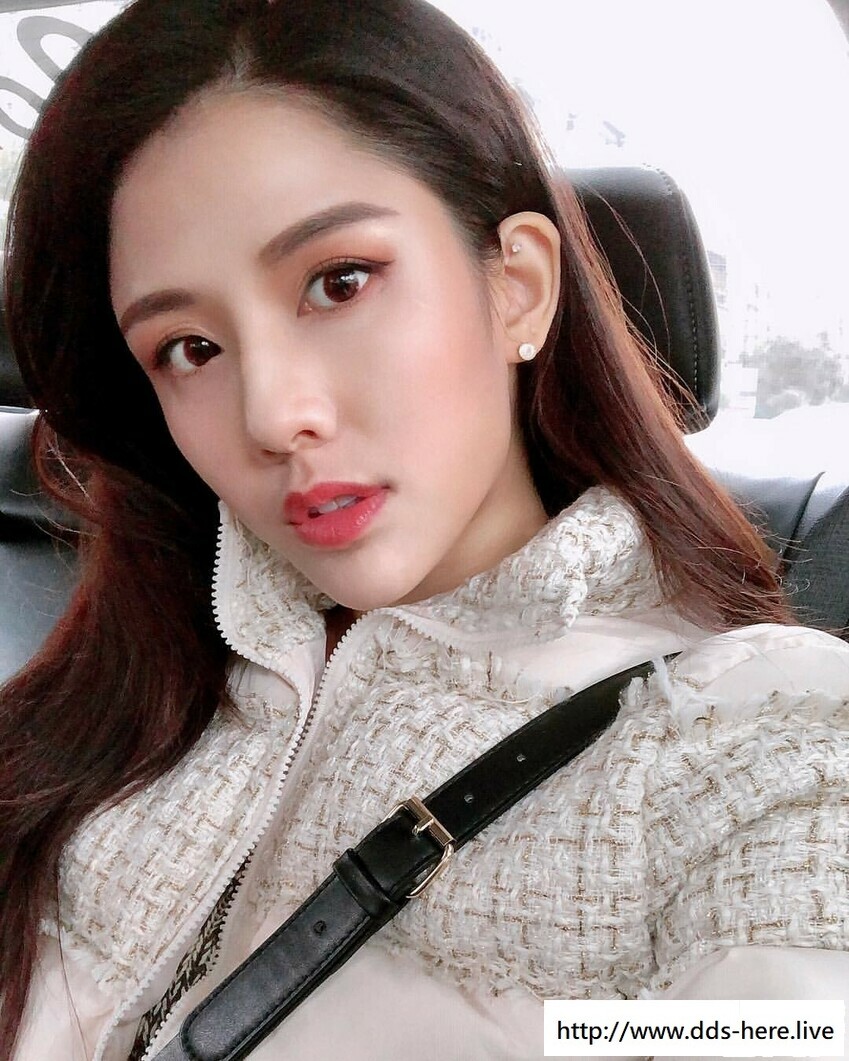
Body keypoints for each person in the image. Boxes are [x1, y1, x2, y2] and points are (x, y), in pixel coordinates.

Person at [0, 0, 846, 1058]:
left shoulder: (751, 739)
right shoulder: (120, 683)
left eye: (339, 282)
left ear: (517, 286)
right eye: (190, 348)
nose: (273, 415)